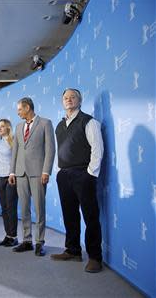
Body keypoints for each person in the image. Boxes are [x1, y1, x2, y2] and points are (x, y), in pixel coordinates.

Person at [51, 88, 104, 273]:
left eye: (73, 97)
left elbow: (97, 149)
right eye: (66, 98)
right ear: (62, 102)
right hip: (64, 175)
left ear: (79, 101)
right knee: (69, 215)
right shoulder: (59, 125)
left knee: (90, 216)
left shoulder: (89, 121)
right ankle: (73, 251)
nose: (69, 100)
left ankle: (95, 257)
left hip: (83, 174)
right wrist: (59, 171)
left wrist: (90, 173)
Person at [9, 97, 55, 256]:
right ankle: (27, 240)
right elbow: (15, 150)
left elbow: (50, 149)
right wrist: (12, 171)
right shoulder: (18, 126)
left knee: (39, 208)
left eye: (20, 109)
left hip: (38, 173)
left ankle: (39, 242)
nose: (18, 112)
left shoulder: (45, 123)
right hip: (20, 173)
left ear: (27, 107)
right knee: (24, 208)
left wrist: (46, 171)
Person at [0, 119, 19, 247]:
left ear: (8, 128)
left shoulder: (13, 141)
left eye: (2, 126)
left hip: (10, 178)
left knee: (11, 207)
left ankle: (14, 236)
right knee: (4, 208)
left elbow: (17, 159)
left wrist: (13, 173)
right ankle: (8, 235)